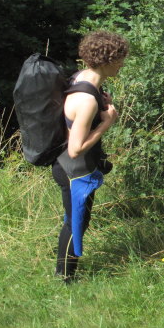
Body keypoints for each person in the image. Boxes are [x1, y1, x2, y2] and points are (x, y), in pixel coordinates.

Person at [53, 31, 129, 282]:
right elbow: (76, 147)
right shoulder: (87, 100)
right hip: (75, 170)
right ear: (108, 60)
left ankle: (65, 272)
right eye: (120, 59)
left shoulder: (82, 79)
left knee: (75, 221)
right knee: (75, 224)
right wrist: (107, 122)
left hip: (71, 167)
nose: (122, 64)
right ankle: (65, 278)